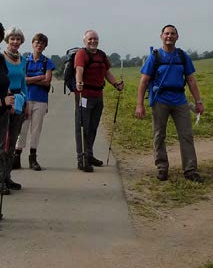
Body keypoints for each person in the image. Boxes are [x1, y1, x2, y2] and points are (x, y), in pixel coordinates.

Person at [135, 24, 204, 183]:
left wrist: (198, 101)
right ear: (161, 36)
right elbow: (143, 81)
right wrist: (140, 105)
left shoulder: (182, 56)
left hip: (180, 100)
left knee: (186, 135)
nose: (169, 36)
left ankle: (190, 170)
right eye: (166, 33)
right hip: (160, 101)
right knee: (159, 135)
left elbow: (191, 80)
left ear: (177, 37)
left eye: (173, 34)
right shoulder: (155, 57)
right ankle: (162, 168)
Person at [74, 30, 124, 172]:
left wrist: (116, 84)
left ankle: (89, 155)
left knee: (93, 127)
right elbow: (79, 69)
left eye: (95, 39)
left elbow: (107, 72)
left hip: (98, 95)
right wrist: (79, 83)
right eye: (90, 39)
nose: (93, 41)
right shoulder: (81, 54)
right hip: (84, 95)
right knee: (82, 127)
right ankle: (81, 159)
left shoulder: (102, 55)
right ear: (85, 41)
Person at [15, 33, 55, 171]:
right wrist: (39, 77)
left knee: (36, 130)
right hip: (26, 99)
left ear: (45, 46)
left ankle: (33, 158)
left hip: (41, 101)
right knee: (22, 128)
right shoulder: (25, 61)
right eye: (37, 42)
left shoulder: (47, 62)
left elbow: (47, 81)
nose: (39, 45)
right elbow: (23, 80)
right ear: (32, 43)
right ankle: (17, 157)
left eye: (42, 43)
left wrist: (31, 80)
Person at [2, 26, 29, 191]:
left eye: (18, 39)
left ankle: (7, 176)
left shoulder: (23, 60)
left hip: (20, 101)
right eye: (12, 38)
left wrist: (26, 103)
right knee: (2, 143)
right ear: (7, 40)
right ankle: (0, 181)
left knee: (12, 142)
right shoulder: (1, 58)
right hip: (5, 101)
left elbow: (24, 83)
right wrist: (7, 102)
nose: (15, 42)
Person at [0, 23, 15, 196]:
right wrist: (2, 102)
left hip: (3, 113)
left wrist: (9, 100)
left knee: (2, 150)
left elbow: (6, 83)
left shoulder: (0, 59)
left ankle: (2, 180)